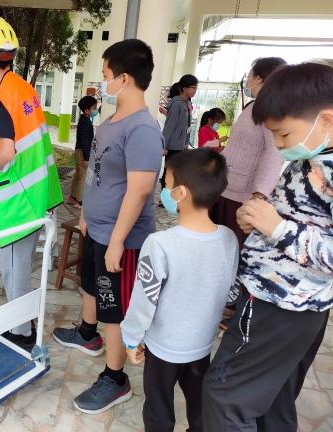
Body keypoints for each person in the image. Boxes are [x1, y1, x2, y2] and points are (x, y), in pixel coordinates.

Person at [202, 62, 333, 431]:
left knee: (224, 397)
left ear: (326, 120)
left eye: (283, 134)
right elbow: (302, 217)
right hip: (282, 301)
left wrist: (276, 228)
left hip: (282, 305)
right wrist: (260, 221)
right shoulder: (311, 158)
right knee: (274, 399)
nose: (278, 145)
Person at [52, 39, 164, 414]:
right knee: (91, 285)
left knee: (114, 307)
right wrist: (86, 211)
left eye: (105, 75)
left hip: (122, 239)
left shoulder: (143, 129)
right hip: (97, 227)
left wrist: (117, 240)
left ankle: (115, 378)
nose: (102, 82)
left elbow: (140, 190)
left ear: (124, 78)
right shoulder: (110, 122)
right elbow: (98, 175)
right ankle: (87, 333)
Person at [0, 16, 63, 352]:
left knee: (14, 271)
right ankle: (23, 325)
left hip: (19, 198)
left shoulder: (2, 99)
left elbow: (6, 152)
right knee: (19, 267)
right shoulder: (23, 88)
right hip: (37, 192)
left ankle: (22, 333)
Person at [122, 148, 239, 432]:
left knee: (158, 410)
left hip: (163, 347)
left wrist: (131, 338)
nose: (164, 190)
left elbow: (143, 300)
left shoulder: (159, 244)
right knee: (199, 406)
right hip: (201, 344)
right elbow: (232, 291)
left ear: (181, 194)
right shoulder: (228, 238)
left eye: (167, 184)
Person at [209, 57, 287, 249]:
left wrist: (259, 195)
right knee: (217, 243)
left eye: (250, 74)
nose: (248, 79)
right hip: (225, 187)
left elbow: (273, 153)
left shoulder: (271, 110)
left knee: (232, 247)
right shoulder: (254, 106)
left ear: (259, 78)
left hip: (243, 196)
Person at [161, 74, 199, 190]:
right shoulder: (177, 104)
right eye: (193, 88)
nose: (195, 90)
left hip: (182, 145)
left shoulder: (187, 103)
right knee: (169, 173)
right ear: (184, 88)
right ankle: (165, 196)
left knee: (177, 174)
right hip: (174, 146)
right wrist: (163, 146)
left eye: (196, 88)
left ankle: (172, 195)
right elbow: (169, 126)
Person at [68, 95, 98, 208]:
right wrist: (86, 157)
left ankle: (73, 197)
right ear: (86, 110)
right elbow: (85, 141)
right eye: (94, 108)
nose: (96, 110)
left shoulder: (83, 120)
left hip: (79, 150)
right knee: (83, 176)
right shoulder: (86, 122)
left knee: (78, 175)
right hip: (82, 152)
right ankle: (79, 201)